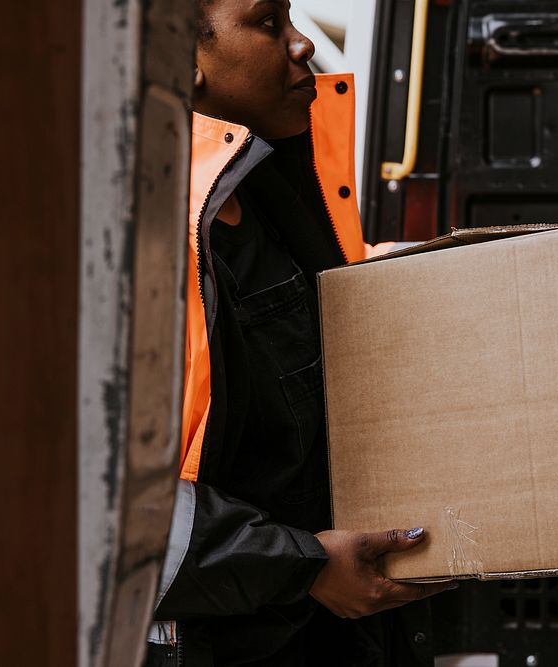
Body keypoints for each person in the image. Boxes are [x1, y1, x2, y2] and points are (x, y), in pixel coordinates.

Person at [143, 1, 452, 665]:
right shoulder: (137, 242)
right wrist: (305, 566)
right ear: (179, 54)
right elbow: (116, 505)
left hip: (318, 623)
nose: (302, 44)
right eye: (265, 22)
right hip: (215, 637)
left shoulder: (265, 193)